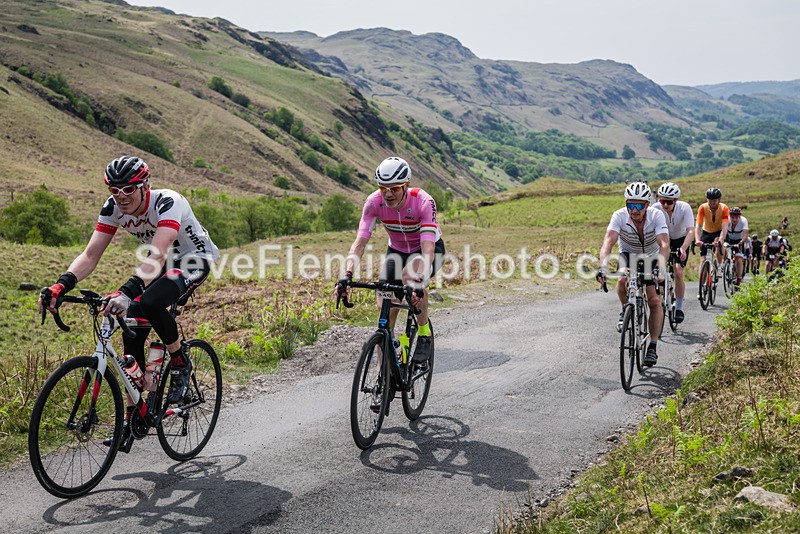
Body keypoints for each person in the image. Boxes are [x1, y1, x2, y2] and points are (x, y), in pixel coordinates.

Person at [38, 155, 220, 449]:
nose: (121, 196)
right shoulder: (112, 208)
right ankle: (134, 415)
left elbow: (158, 252)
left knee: (150, 302)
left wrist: (125, 291)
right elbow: (90, 255)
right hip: (161, 264)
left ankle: (180, 361)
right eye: (114, 189)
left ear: (145, 186)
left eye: (128, 189)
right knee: (130, 325)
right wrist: (61, 284)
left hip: (192, 259)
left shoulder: (168, 202)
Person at [337, 156, 444, 365]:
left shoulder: (423, 201)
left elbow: (428, 249)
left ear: (406, 185)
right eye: (383, 188)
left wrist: (420, 279)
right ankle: (383, 370)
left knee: (409, 277)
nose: (388, 194)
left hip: (427, 250)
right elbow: (359, 244)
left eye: (394, 188)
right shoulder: (373, 202)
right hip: (396, 251)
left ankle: (424, 334)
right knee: (386, 304)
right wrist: (346, 275)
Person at [596, 181, 669, 367]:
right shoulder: (619, 216)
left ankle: (652, 346)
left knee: (654, 300)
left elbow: (664, 244)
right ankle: (625, 310)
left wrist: (660, 269)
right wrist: (603, 267)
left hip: (652, 256)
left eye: (638, 205)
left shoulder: (657, 215)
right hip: (629, 254)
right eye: (630, 205)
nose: (634, 210)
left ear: (647, 205)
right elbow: (608, 243)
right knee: (622, 280)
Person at [652, 182, 694, 323]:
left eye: (669, 202)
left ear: (676, 200)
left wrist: (684, 247)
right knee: (659, 270)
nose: (665, 205)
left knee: (678, 272)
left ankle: (679, 307)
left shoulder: (684, 207)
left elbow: (691, 231)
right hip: (664, 239)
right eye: (662, 201)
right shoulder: (655, 208)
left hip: (681, 240)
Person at [694, 187, 729, 297]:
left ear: (719, 200)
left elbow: (725, 227)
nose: (712, 202)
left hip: (719, 232)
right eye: (709, 200)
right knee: (703, 259)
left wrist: (721, 239)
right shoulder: (702, 207)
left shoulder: (724, 208)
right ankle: (701, 286)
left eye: (714, 200)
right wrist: (697, 239)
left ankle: (719, 266)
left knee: (718, 244)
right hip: (706, 232)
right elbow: (698, 226)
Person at [724, 207, 749, 285]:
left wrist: (741, 242)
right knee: (723, 248)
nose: (734, 219)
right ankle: (725, 264)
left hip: (739, 240)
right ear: (730, 216)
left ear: (739, 217)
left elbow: (745, 234)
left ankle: (738, 279)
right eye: (732, 217)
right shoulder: (727, 220)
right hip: (728, 239)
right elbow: (723, 231)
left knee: (739, 259)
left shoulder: (743, 221)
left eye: (736, 217)